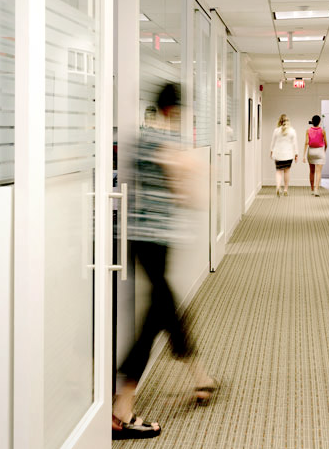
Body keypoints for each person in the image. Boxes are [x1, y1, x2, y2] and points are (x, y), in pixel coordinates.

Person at [113, 83, 218, 440]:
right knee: (156, 318)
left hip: (138, 239)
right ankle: (122, 409)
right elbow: (183, 189)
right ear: (175, 111)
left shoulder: (141, 138)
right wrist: (194, 179)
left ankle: (200, 376)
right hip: (156, 241)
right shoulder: (164, 141)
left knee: (166, 311)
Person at [269, 114, 298, 197]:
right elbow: (295, 143)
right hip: (288, 155)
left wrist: (271, 151)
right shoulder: (292, 131)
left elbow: (273, 142)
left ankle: (278, 187)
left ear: (280, 121)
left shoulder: (276, 131)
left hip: (278, 154)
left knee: (278, 171)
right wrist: (296, 153)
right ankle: (285, 189)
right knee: (287, 172)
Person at [303, 115, 327, 197]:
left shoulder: (308, 131)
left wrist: (304, 155)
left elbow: (306, 143)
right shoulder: (323, 131)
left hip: (311, 151)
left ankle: (312, 189)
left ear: (312, 122)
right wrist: (324, 150)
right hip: (320, 151)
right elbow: (326, 143)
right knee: (318, 172)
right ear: (319, 122)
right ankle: (316, 189)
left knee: (312, 171)